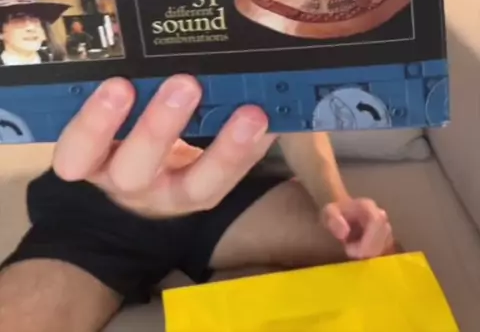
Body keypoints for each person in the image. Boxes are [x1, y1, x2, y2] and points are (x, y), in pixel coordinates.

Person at [0, 75, 395, 332]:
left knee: (378, 264)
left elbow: (293, 115)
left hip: (224, 191)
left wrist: (335, 201)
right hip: (98, 204)